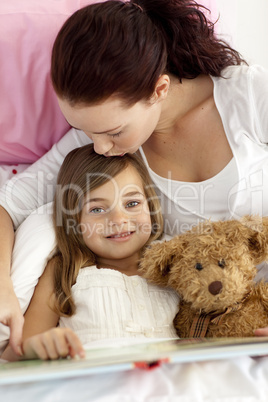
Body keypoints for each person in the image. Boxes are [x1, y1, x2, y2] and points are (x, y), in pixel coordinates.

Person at [1, 0, 268, 354]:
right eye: (83, 129)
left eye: (113, 132)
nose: (100, 147)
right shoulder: (99, 134)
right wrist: (2, 285)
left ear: (159, 90)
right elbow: (7, 204)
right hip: (196, 343)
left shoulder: (249, 97)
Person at [1, 144, 180, 361]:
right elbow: (16, 353)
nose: (118, 220)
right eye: (97, 209)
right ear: (75, 221)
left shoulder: (174, 265)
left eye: (132, 203)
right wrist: (40, 346)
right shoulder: (64, 271)